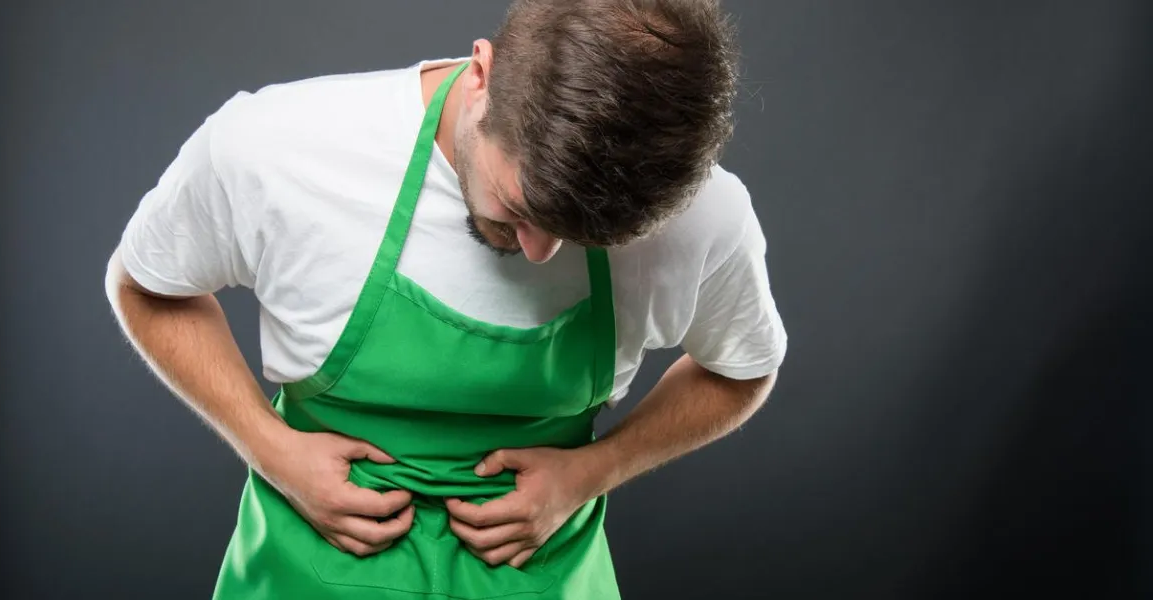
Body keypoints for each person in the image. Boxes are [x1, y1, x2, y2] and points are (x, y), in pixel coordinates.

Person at [104, 0, 788, 597]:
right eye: (519, 207)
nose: (539, 252)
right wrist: (271, 450)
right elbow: (144, 286)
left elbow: (743, 369)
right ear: (482, 74)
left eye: (584, 235)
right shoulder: (277, 147)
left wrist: (593, 470)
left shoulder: (706, 217)